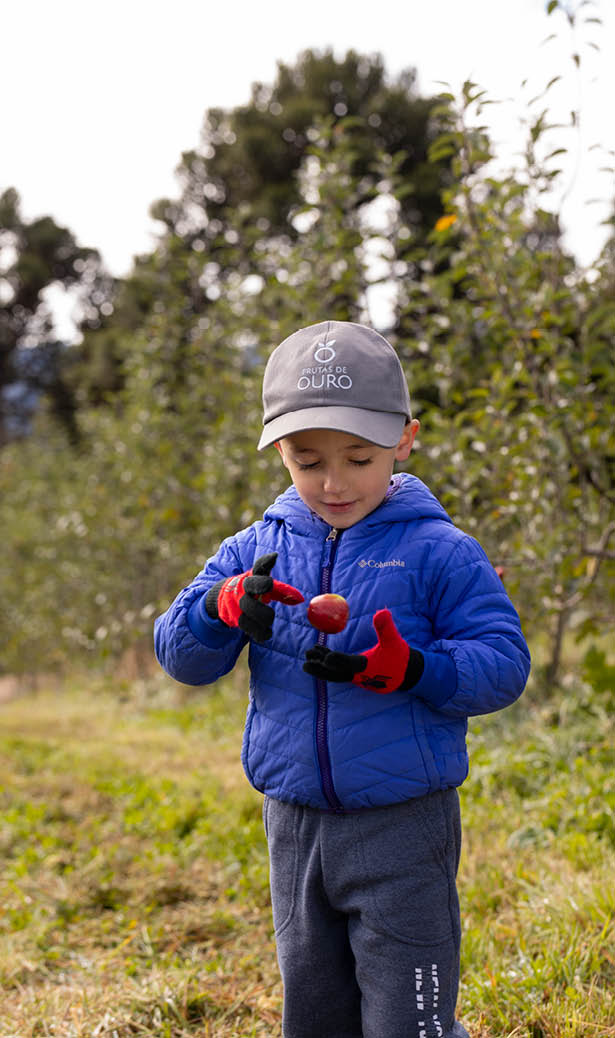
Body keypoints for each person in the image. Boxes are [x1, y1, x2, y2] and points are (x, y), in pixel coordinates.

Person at [154, 320, 531, 1038]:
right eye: (305, 459)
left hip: (403, 820)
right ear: (278, 453)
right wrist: (220, 607)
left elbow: (503, 665)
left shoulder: (440, 552)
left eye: (358, 458)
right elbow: (179, 655)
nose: (332, 482)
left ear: (404, 440)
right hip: (293, 825)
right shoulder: (252, 549)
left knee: (407, 1014)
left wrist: (418, 669)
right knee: (315, 1009)